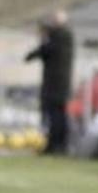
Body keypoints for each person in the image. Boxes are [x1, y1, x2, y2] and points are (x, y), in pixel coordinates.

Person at [25, 10, 74, 155]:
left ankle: (57, 145)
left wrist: (33, 53)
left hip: (57, 83)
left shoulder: (62, 35)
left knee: (56, 115)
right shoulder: (61, 35)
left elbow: (45, 49)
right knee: (56, 115)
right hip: (57, 83)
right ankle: (56, 144)